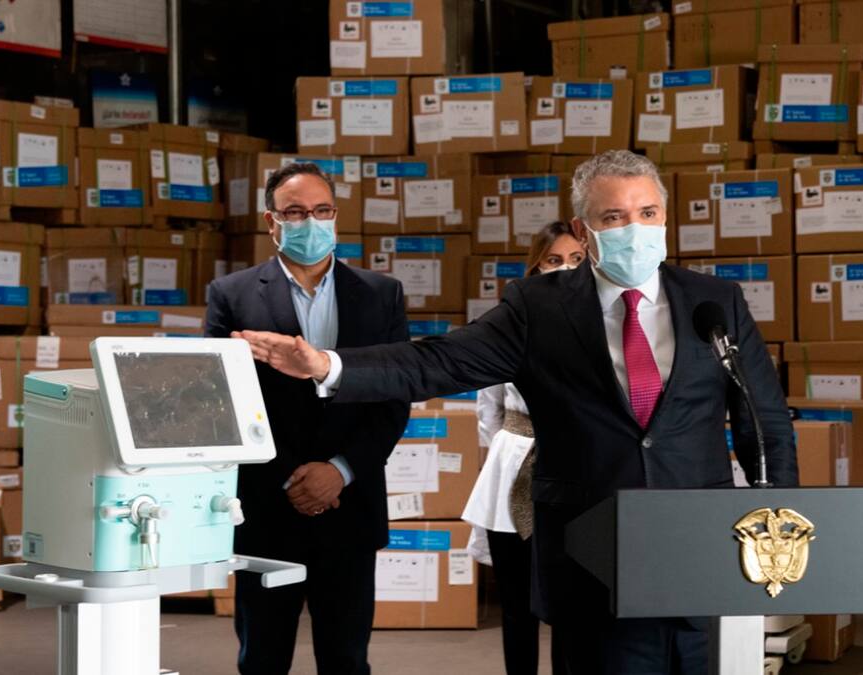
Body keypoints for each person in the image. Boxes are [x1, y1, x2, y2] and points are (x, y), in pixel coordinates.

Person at [235, 149, 797, 675]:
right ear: (583, 230)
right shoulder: (538, 307)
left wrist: (783, 527)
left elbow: (764, 421)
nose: (635, 230)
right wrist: (328, 365)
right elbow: (440, 361)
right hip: (590, 555)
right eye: (614, 217)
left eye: (647, 213)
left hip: (697, 548)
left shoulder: (714, 303)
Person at [206, 163, 410, 675]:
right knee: (262, 656)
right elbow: (221, 401)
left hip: (350, 505)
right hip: (267, 507)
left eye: (321, 211)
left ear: (335, 216)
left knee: (346, 658)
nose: (310, 222)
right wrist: (292, 478)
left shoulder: (381, 294)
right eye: (295, 212)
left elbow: (394, 399)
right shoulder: (231, 295)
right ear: (271, 221)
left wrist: (339, 470)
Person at [464, 221, 586, 675]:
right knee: (517, 602)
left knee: (569, 605)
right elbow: (489, 409)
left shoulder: (606, 324)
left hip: (578, 469)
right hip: (513, 468)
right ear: (535, 268)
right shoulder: (510, 323)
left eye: (576, 260)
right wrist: (510, 449)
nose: (565, 269)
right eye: (553, 260)